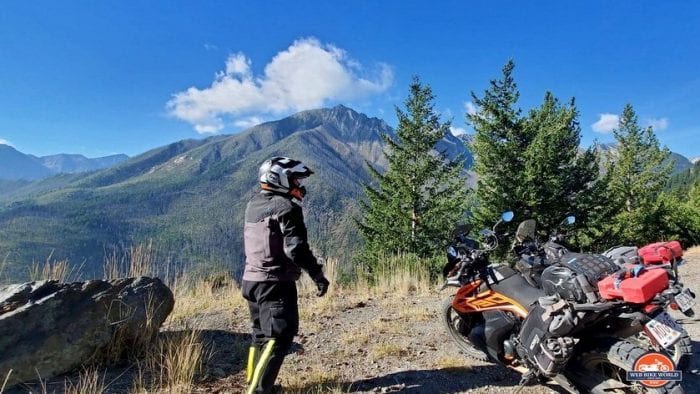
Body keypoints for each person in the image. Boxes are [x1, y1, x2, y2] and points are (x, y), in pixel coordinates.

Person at [242, 156, 330, 394]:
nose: (300, 186)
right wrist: (317, 275)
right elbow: (296, 249)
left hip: (251, 280)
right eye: (295, 180)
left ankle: (255, 384)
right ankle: (260, 391)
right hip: (275, 283)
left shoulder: (254, 204)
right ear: (278, 179)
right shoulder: (287, 207)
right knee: (280, 338)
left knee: (260, 336)